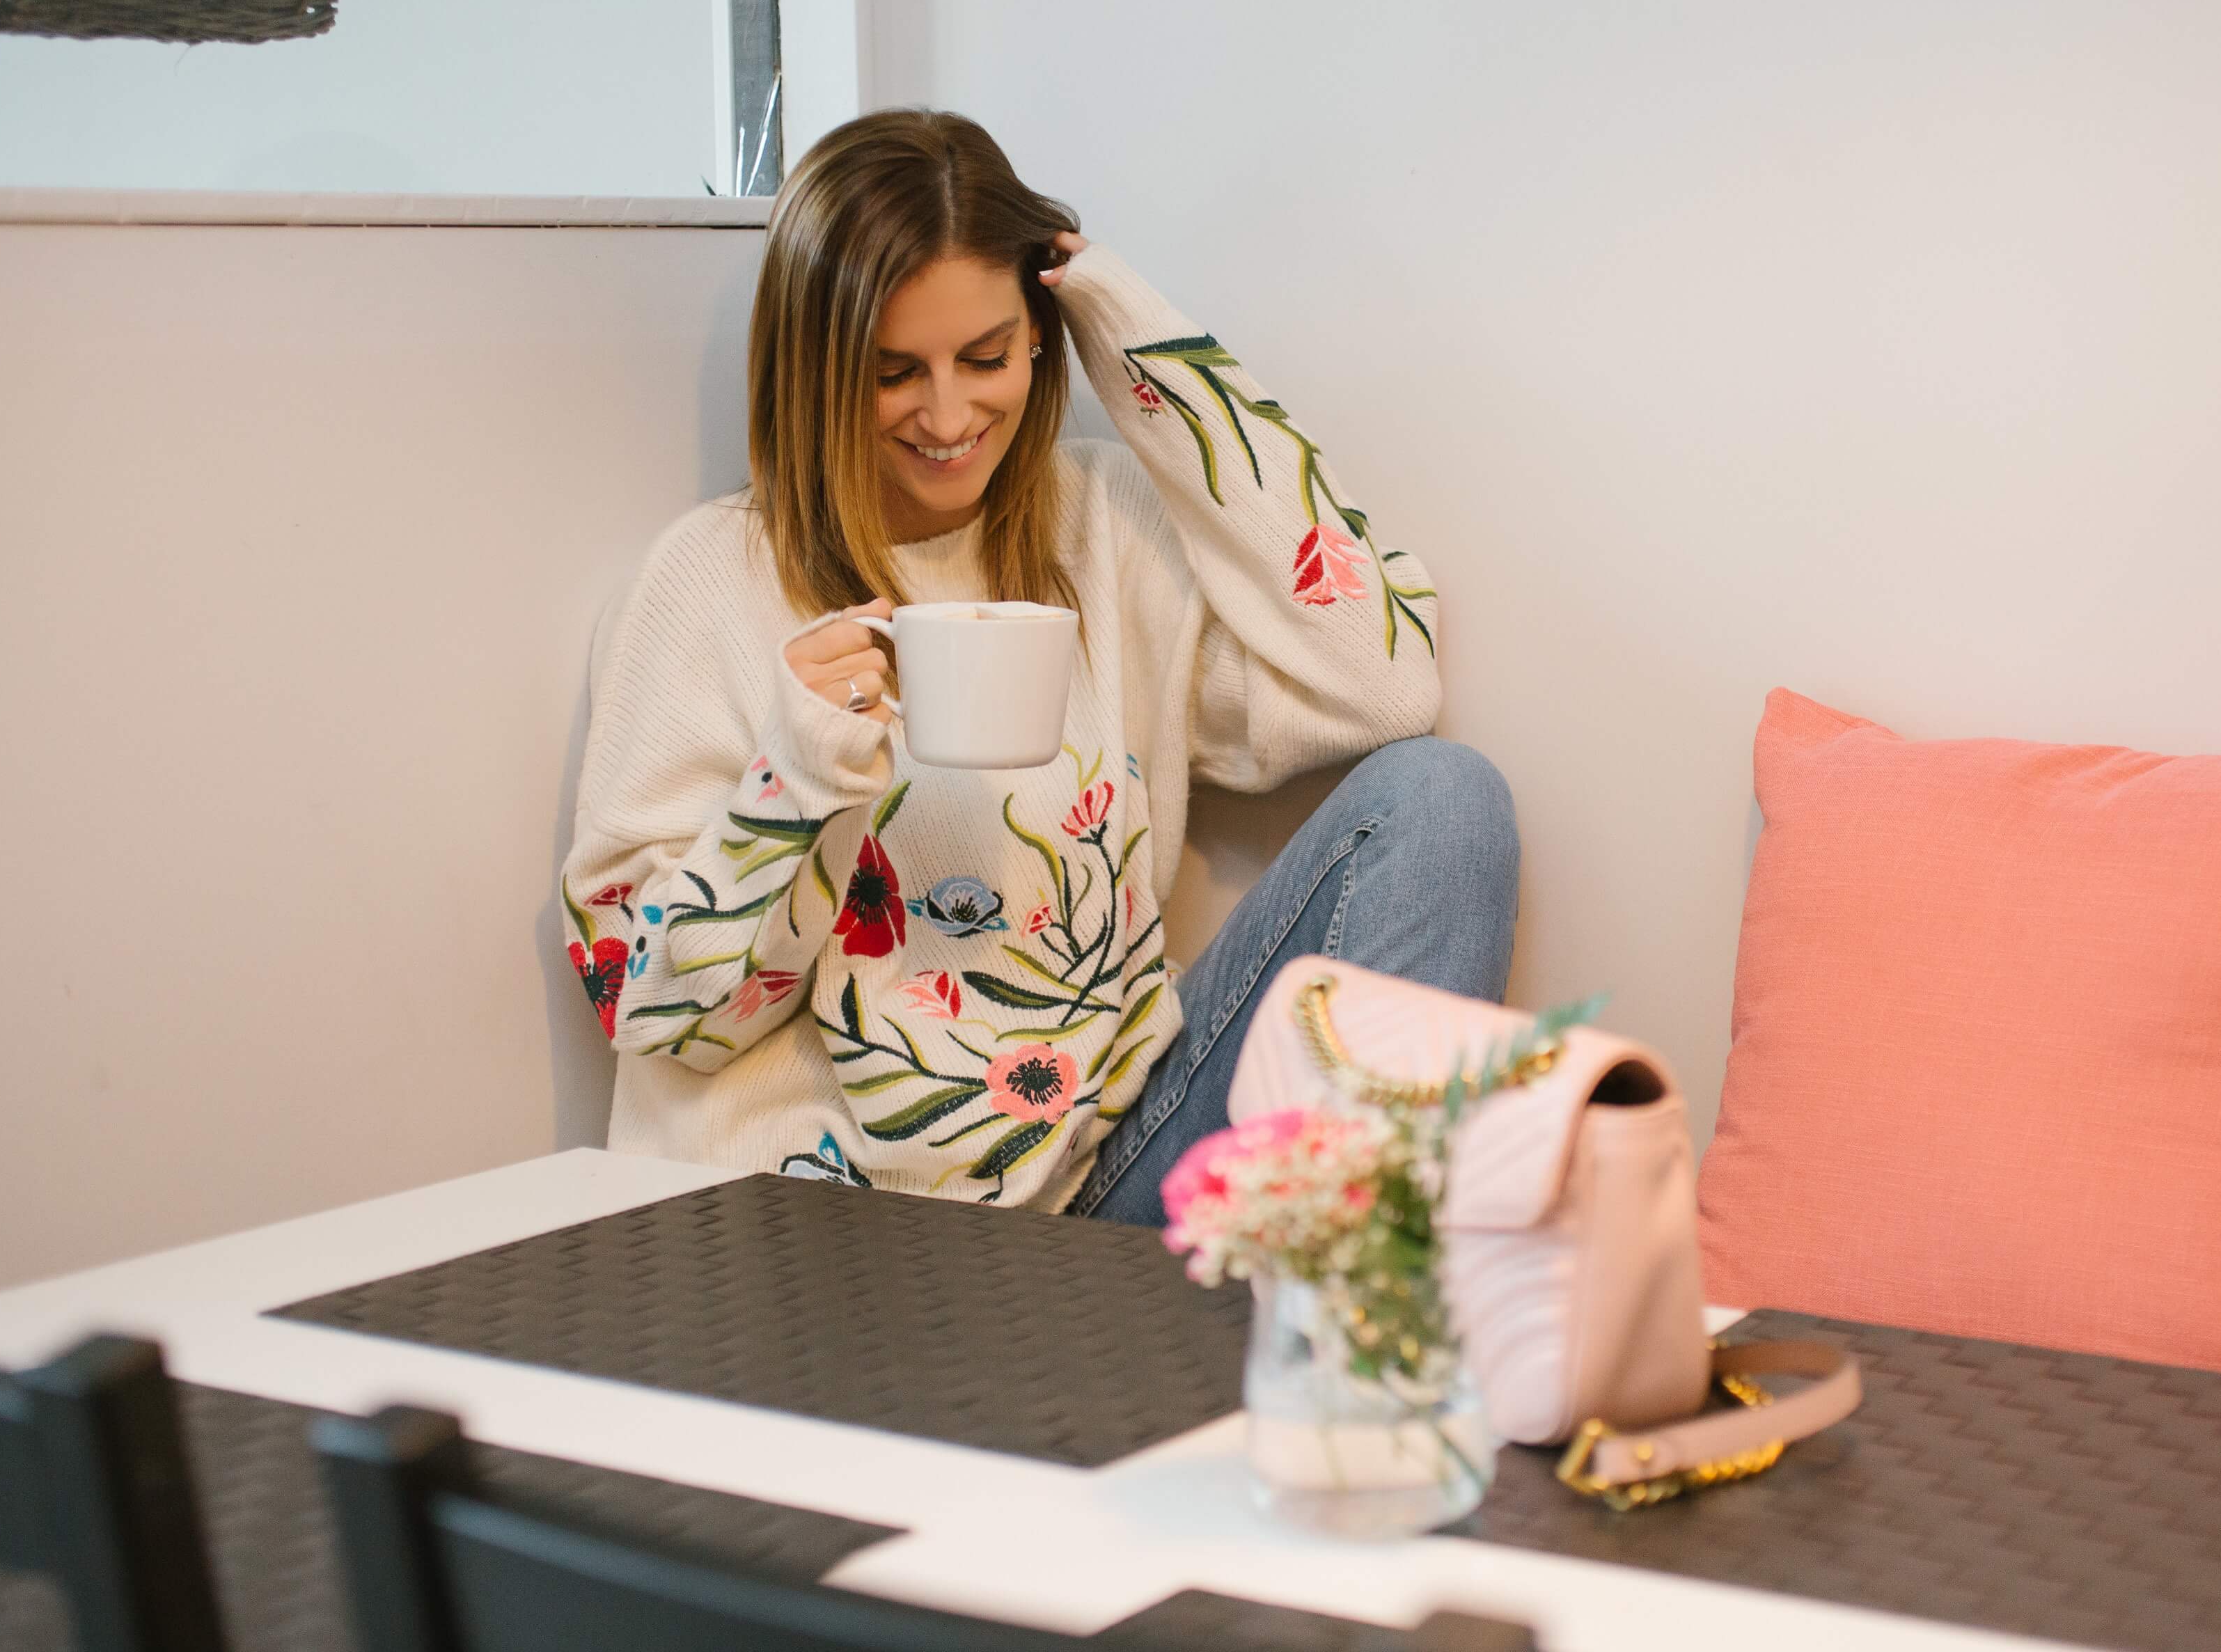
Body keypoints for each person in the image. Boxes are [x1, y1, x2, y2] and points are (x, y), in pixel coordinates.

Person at [557, 109, 1517, 1224]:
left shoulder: (1106, 522)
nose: (949, 414)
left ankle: (1337, 1298)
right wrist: (799, 779)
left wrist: (1140, 344)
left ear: (1038, 337)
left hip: (1103, 1185)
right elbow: (658, 1016)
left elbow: (1384, 685)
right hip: (833, 1229)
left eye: (987, 357)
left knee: (1442, 802)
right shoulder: (705, 583)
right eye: (894, 372)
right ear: (816, 371)